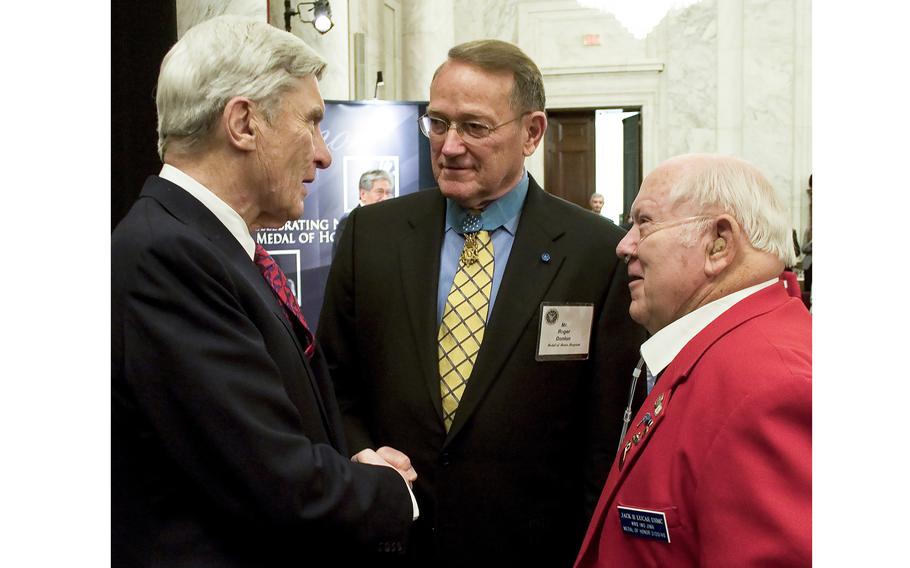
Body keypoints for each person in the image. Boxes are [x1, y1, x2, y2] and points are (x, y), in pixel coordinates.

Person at [319, 39, 644, 567]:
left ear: (532, 132)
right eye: (438, 123)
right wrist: (361, 454)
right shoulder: (369, 236)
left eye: (474, 127)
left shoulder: (593, 252)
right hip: (393, 540)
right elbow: (333, 380)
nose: (449, 146)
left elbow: (604, 434)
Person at [111, 16, 417, 567]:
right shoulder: (169, 255)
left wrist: (347, 463)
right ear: (244, 123)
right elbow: (271, 480)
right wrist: (391, 489)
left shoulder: (207, 247)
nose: (325, 156)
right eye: (312, 123)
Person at [574, 154, 811, 567]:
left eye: (644, 223)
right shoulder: (724, 351)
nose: (624, 245)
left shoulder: (770, 387)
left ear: (719, 243)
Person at [332, 169, 393, 257]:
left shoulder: (390, 221)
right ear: (363, 194)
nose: (385, 198)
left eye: (388, 193)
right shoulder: (349, 220)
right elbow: (341, 261)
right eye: (380, 192)